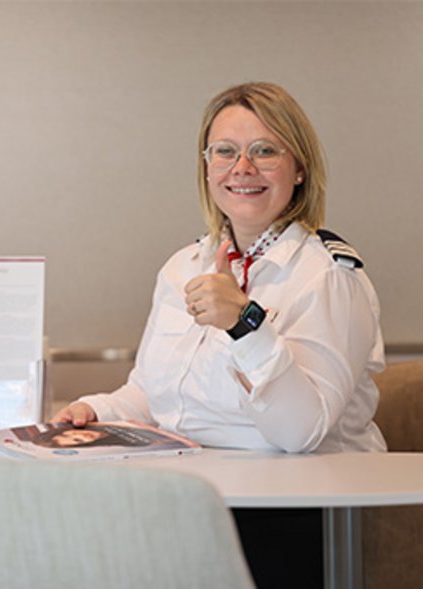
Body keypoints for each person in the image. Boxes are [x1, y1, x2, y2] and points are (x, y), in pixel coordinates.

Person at [52, 81, 386, 588]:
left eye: (264, 151)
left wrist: (245, 324)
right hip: (187, 501)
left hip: (299, 515)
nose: (242, 168)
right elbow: (151, 392)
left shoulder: (330, 278)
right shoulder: (182, 266)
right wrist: (98, 410)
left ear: (299, 169)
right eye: (224, 151)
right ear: (206, 167)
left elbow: (302, 433)